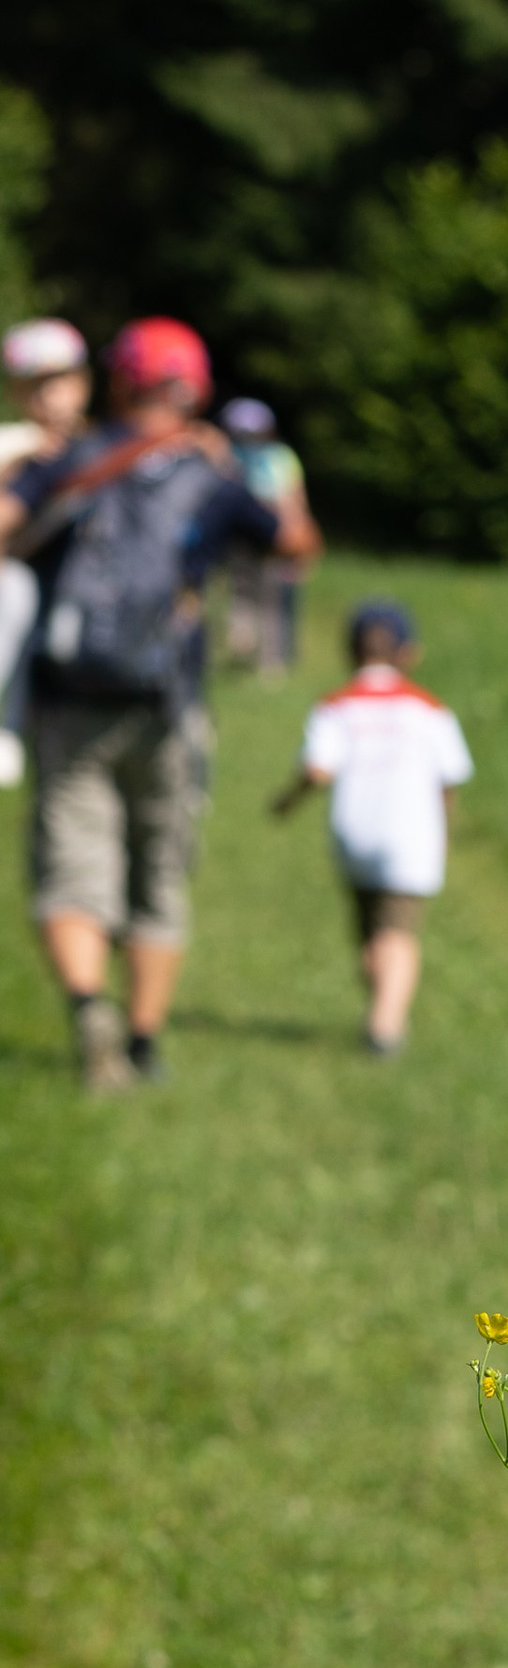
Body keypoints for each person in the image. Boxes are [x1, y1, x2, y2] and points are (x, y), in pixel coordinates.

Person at [0, 314, 278, 1092]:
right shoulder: (209, 472)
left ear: (114, 381)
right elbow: (291, 543)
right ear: (194, 387)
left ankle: (91, 1008)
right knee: (158, 871)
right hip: (168, 700)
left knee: (69, 868)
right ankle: (145, 1041)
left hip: (68, 694)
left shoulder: (69, 462)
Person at [269, 599, 472, 1052]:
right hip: (411, 832)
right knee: (398, 932)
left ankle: (382, 1012)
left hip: (353, 829)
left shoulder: (336, 706)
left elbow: (318, 770)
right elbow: (451, 777)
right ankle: (386, 1026)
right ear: (408, 652)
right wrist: (446, 828)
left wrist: (287, 802)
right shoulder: (429, 709)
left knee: (369, 933)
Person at [0, 318, 91, 789]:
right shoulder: (22, 451)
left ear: (83, 382)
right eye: (33, 386)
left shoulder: (101, 448)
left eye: (57, 381)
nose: (48, 397)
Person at [213, 396, 321, 670]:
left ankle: (271, 662)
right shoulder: (226, 457)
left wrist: (304, 545)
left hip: (277, 538)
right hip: (241, 540)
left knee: (273, 600)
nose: (248, 438)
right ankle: (243, 649)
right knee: (242, 592)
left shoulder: (280, 458)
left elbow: (295, 501)